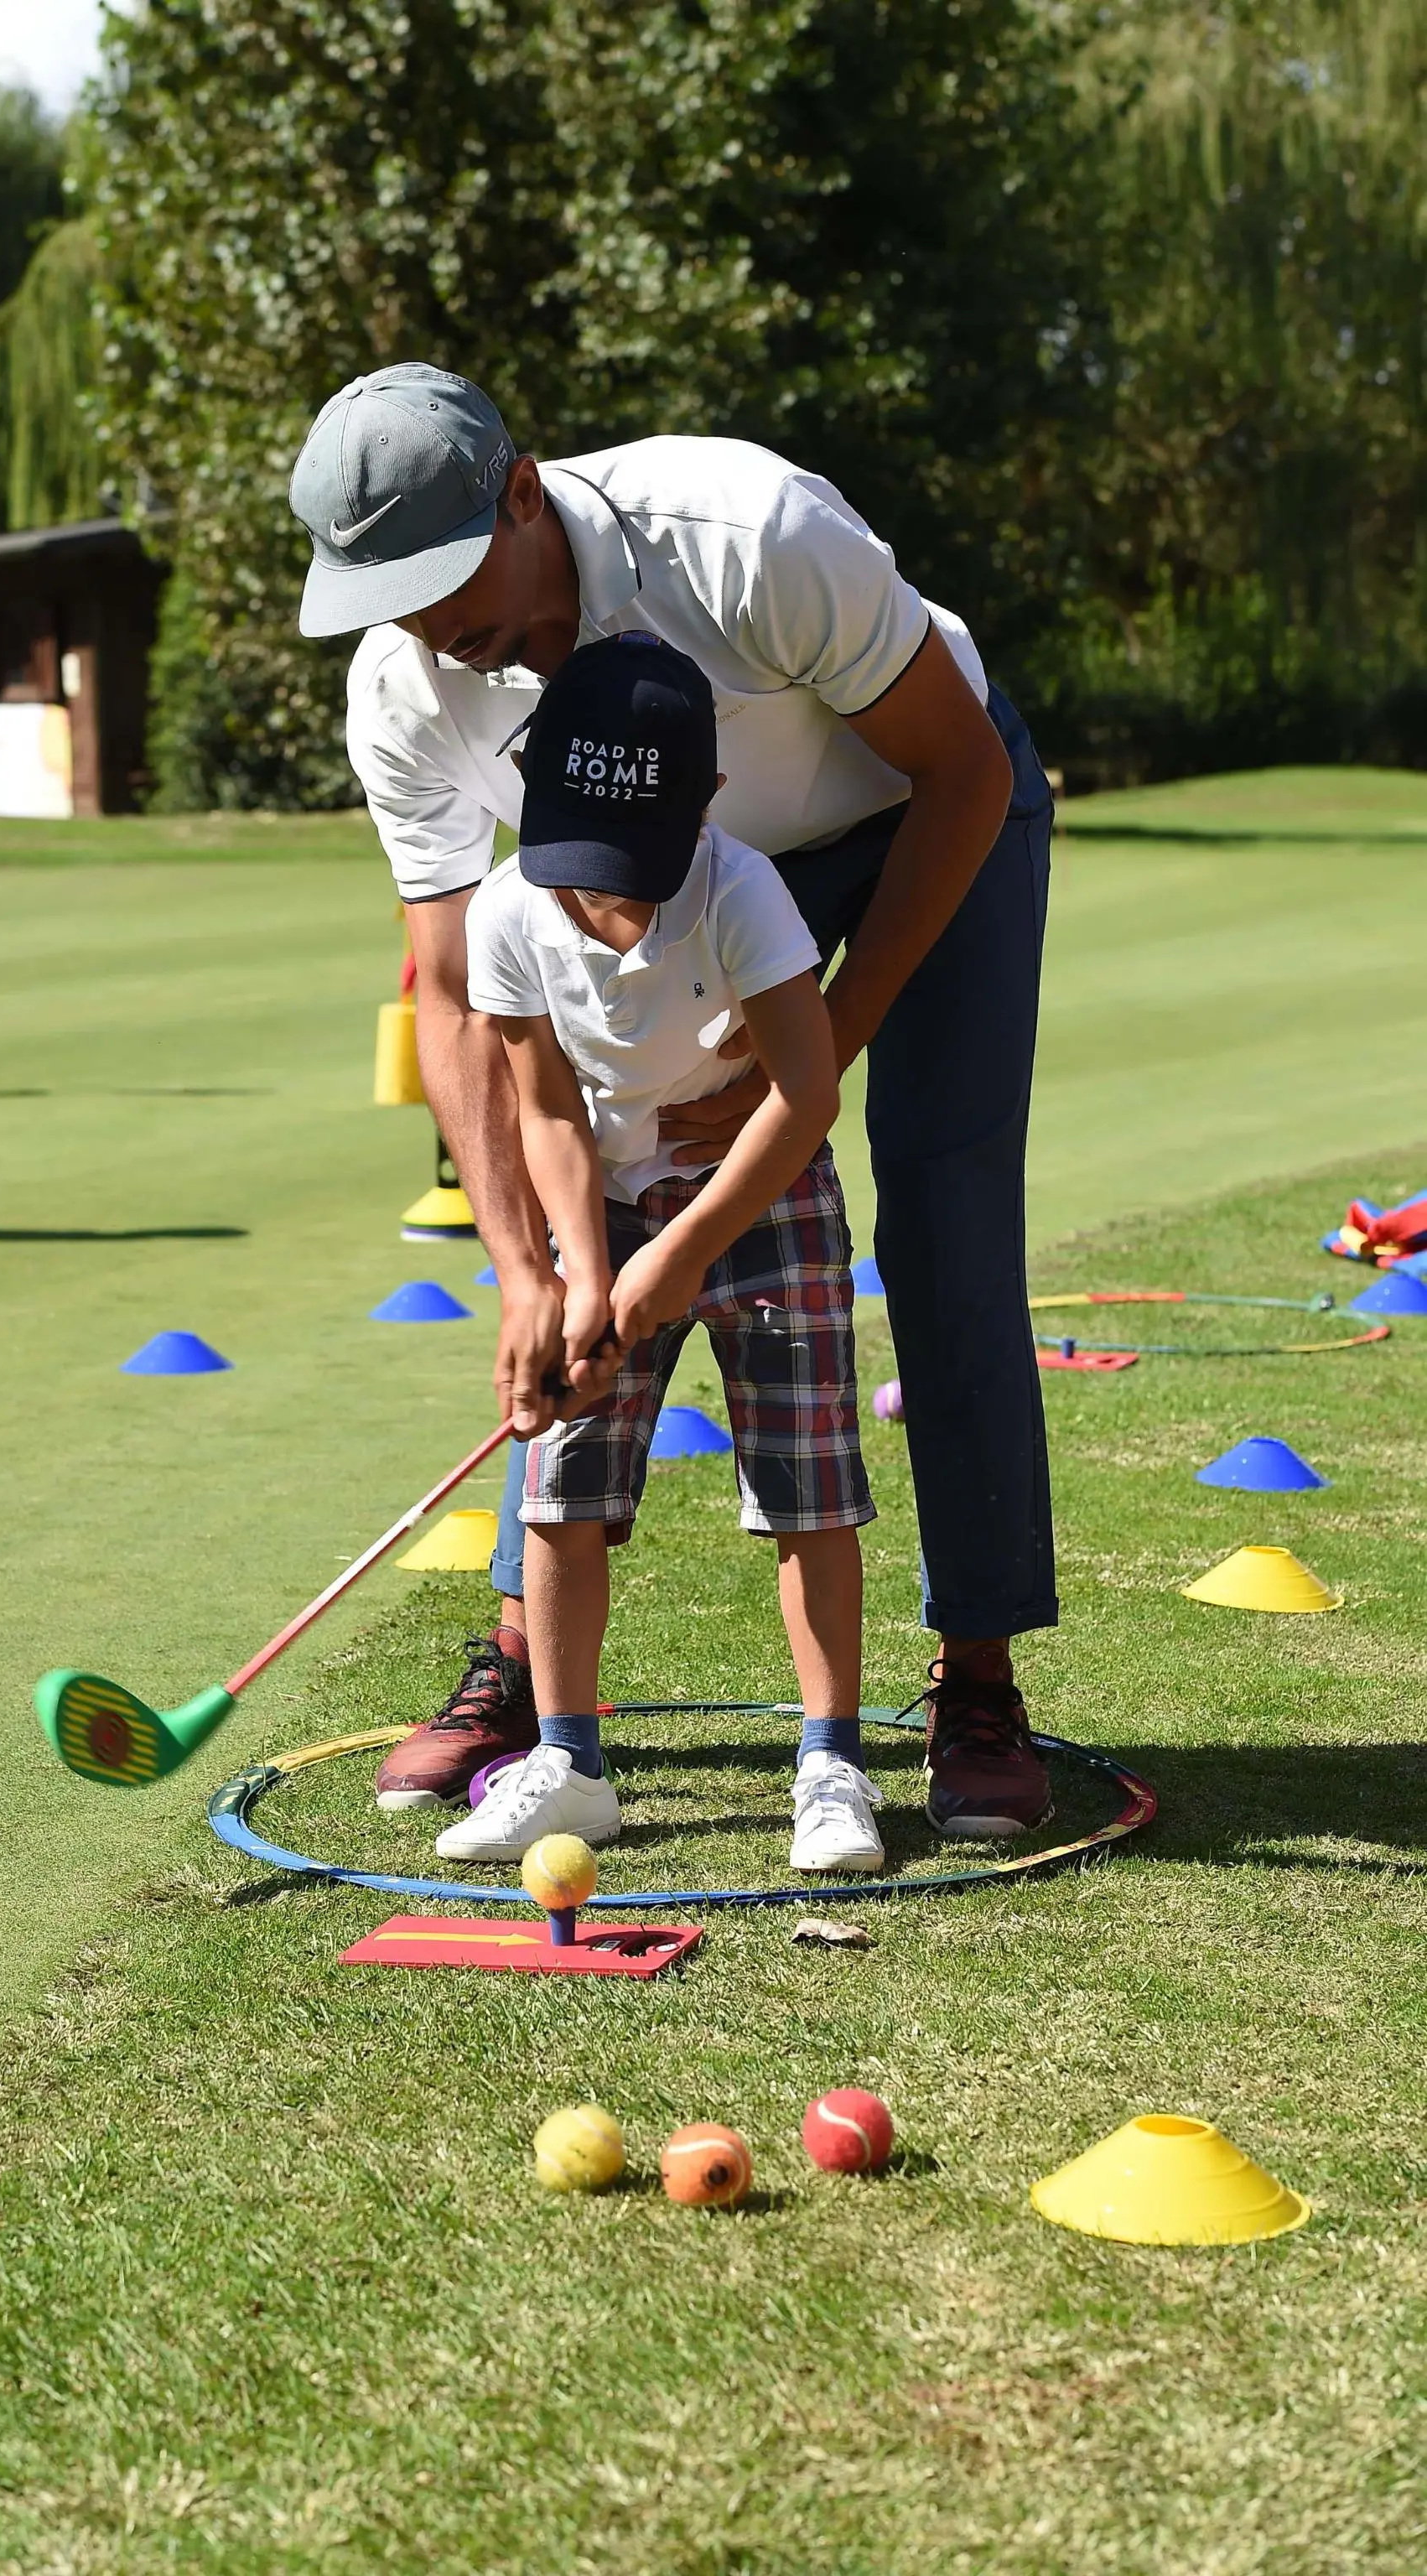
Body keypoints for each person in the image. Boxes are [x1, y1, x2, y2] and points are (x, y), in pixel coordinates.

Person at [288, 363, 1058, 1841]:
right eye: (396, 601)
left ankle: (975, 1676)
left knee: (948, 1224)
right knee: (597, 1251)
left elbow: (958, 770)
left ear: (523, 490)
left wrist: (811, 1047)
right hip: (649, 888)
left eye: (452, 584)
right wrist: (521, 1266)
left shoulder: (744, 530)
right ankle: (532, 1673)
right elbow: (454, 994)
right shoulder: (405, 681)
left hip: (915, 816)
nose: (439, 635)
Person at [432, 631, 883, 1873]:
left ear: (709, 808)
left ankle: (832, 1761)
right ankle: (570, 1763)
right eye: (588, 872)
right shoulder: (513, 910)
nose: (611, 908)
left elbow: (804, 1095)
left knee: (809, 1486)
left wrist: (684, 1248)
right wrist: (583, 1266)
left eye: (635, 873)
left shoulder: (741, 890)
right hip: (612, 1208)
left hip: (764, 1195)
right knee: (564, 1488)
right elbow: (544, 1110)